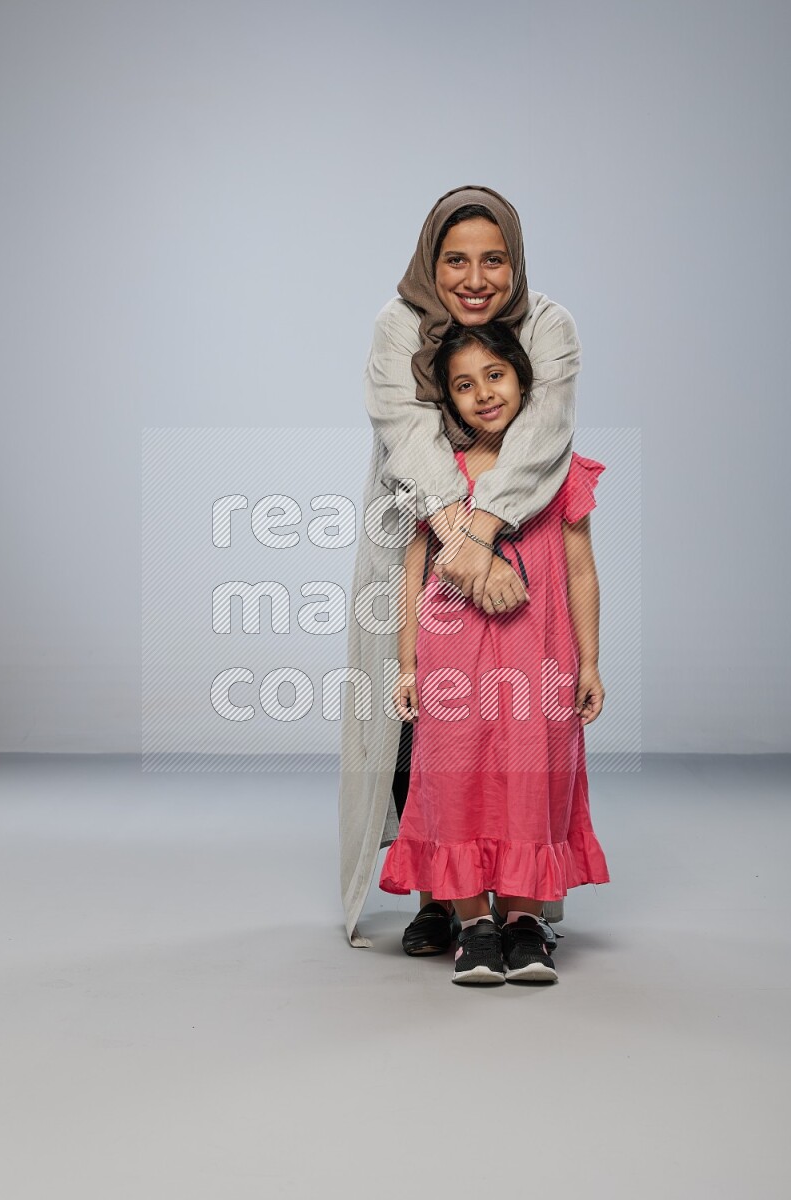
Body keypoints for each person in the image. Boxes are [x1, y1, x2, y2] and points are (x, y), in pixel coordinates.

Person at [339, 185, 581, 948]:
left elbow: (543, 434)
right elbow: (407, 434)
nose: (475, 279)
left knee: (508, 728)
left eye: (493, 260)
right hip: (417, 529)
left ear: (515, 262)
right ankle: (439, 897)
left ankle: (515, 896)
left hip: (521, 533)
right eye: (455, 261)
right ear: (429, 262)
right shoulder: (396, 325)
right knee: (421, 721)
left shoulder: (548, 324)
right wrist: (460, 546)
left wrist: (482, 533)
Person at [378, 321, 610, 984]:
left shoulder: (558, 468)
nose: (483, 393)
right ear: (449, 402)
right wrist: (406, 664)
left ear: (525, 379)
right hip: (452, 656)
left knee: (530, 779)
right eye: (464, 385)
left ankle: (525, 921)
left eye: (496, 376)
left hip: (539, 656)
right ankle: (474, 924)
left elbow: (582, 571)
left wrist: (590, 661)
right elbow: (413, 571)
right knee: (454, 781)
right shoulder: (440, 481)